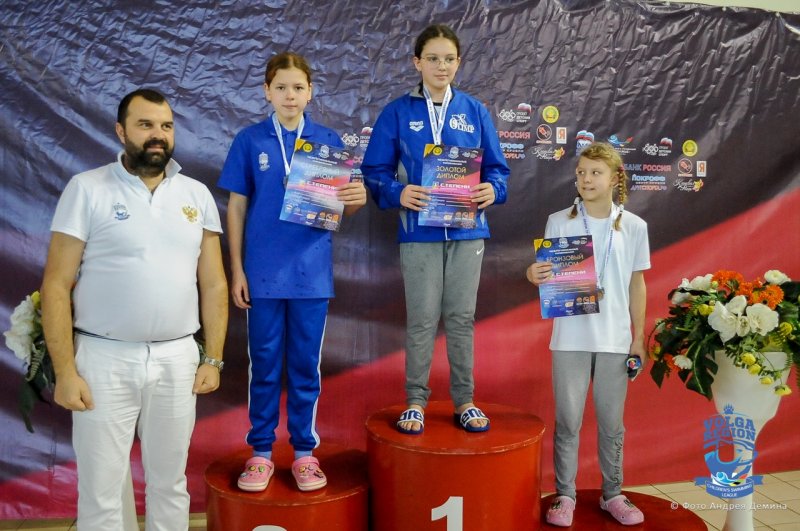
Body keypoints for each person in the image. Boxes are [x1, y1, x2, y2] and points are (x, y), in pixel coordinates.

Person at [40, 88, 228, 530]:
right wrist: (66, 372)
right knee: (101, 490)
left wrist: (213, 358)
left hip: (177, 358)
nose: (158, 135)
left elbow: (214, 283)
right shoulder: (87, 188)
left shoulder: (196, 194)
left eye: (166, 126)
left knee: (170, 484)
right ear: (121, 131)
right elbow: (56, 284)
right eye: (145, 125)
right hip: (103, 359)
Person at [217, 52, 366, 493]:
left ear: (310, 92)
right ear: (267, 91)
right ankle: (261, 453)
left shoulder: (327, 140)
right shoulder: (250, 140)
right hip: (262, 275)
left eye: (298, 87)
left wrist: (355, 200)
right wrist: (236, 269)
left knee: (304, 366)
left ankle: (304, 453)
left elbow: (340, 207)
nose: (290, 95)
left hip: (310, 274)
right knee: (263, 365)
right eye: (281, 87)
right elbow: (237, 207)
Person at [361, 24, 510, 435]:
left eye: (448, 59)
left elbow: (498, 170)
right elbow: (373, 171)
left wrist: (493, 190)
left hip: (467, 230)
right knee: (422, 319)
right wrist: (398, 191)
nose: (441, 66)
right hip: (419, 231)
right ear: (417, 63)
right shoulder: (398, 112)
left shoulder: (474, 111)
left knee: (461, 318)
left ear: (458, 63)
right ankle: (415, 401)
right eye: (432, 58)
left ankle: (465, 400)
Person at [526, 142, 649, 526]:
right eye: (581, 172)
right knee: (568, 422)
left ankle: (613, 494)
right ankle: (565, 495)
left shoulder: (634, 226)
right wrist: (534, 274)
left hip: (615, 340)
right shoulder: (559, 221)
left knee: (612, 425)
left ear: (614, 179)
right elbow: (546, 274)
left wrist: (639, 337)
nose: (586, 179)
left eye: (595, 172)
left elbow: (637, 284)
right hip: (570, 340)